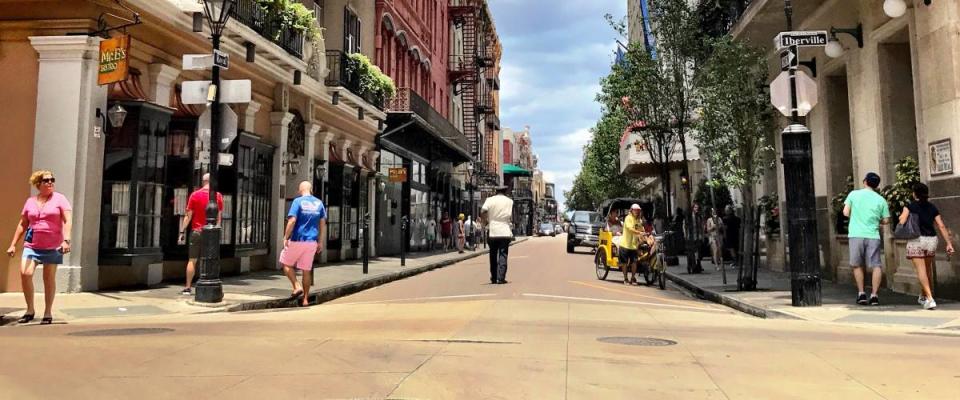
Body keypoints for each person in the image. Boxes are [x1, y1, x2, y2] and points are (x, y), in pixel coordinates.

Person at [6, 170, 72, 325]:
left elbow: (67, 220)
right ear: (38, 184)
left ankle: (48, 312)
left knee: (48, 278)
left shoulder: (60, 199)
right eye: (46, 180)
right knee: (25, 272)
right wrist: (13, 244)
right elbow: (23, 224)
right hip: (32, 244)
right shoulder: (30, 201)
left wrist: (66, 240)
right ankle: (30, 309)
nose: (50, 183)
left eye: (52, 180)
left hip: (53, 245)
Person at [898, 183, 953, 310]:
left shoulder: (910, 206)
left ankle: (930, 298)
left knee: (921, 271)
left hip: (917, 239)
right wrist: (949, 243)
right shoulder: (932, 207)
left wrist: (902, 215)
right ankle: (923, 296)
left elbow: (902, 221)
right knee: (927, 270)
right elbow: (941, 225)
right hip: (931, 240)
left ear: (914, 193)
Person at [844, 172, 890, 306]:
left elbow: (846, 212)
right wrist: (876, 221)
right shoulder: (881, 200)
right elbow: (886, 220)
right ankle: (874, 295)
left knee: (857, 264)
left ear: (865, 182)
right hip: (873, 235)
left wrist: (858, 216)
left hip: (856, 234)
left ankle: (861, 293)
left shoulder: (853, 194)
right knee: (876, 265)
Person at [279, 181, 326, 307]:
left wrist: (285, 236)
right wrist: (320, 241)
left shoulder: (297, 201)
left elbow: (292, 220)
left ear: (300, 190)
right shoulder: (319, 203)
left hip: (297, 239)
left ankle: (296, 286)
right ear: (311, 190)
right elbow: (322, 223)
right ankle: (305, 299)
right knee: (306, 270)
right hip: (311, 242)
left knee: (286, 263)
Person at [178, 173, 223, 295]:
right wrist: (217, 231)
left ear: (203, 182)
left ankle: (188, 286)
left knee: (192, 260)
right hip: (211, 234)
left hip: (197, 231)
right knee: (209, 259)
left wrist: (182, 231)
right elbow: (219, 217)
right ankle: (208, 282)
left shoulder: (195, 195)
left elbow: (188, 216)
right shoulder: (217, 196)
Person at [481, 186, 514, 284]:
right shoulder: (510, 201)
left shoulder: (490, 200)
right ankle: (501, 277)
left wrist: (485, 222)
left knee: (493, 255)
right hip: (504, 230)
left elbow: (483, 211)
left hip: (493, 230)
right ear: (505, 192)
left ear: (496, 191)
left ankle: (494, 277)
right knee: (503, 254)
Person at [620, 204, 645, 285]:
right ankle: (625, 278)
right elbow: (630, 229)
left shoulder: (638, 220)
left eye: (638, 210)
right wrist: (640, 232)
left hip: (634, 245)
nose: (636, 211)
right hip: (625, 244)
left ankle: (633, 278)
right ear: (631, 210)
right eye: (635, 210)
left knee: (634, 262)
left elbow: (641, 228)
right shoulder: (628, 218)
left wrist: (644, 232)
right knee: (624, 263)